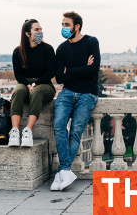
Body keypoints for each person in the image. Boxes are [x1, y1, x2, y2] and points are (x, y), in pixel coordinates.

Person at [51, 11, 100, 191]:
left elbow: (93, 70)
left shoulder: (91, 42)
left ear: (76, 26)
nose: (63, 28)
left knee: (76, 131)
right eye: (62, 24)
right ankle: (65, 171)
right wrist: (82, 69)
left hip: (87, 93)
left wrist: (70, 71)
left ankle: (62, 170)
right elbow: (59, 77)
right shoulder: (61, 48)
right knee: (58, 125)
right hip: (67, 92)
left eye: (66, 24)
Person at [9, 19, 56, 147]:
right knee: (17, 92)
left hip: (45, 84)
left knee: (37, 92)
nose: (40, 32)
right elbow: (18, 75)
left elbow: (51, 72)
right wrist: (27, 85)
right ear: (27, 34)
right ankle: (14, 132)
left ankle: (28, 131)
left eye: (40, 29)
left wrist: (35, 84)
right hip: (25, 83)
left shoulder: (48, 49)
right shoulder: (18, 51)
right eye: (37, 29)